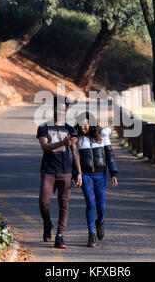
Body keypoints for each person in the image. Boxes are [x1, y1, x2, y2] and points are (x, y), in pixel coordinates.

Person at [36, 96, 83, 249]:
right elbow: (45, 147)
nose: (61, 111)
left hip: (66, 171)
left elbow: (75, 152)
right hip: (49, 170)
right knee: (43, 202)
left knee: (64, 205)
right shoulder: (43, 127)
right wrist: (63, 142)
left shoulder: (70, 129)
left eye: (64, 109)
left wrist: (79, 173)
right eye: (58, 108)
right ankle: (48, 223)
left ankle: (60, 236)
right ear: (53, 109)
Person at [74, 112, 118, 247]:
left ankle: (100, 222)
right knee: (90, 203)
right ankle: (91, 234)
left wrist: (113, 173)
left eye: (85, 124)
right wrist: (77, 174)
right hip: (86, 175)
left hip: (100, 175)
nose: (82, 127)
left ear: (91, 124)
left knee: (101, 205)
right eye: (80, 124)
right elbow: (74, 159)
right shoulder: (78, 139)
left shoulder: (102, 136)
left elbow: (109, 155)